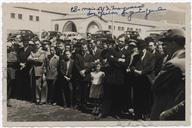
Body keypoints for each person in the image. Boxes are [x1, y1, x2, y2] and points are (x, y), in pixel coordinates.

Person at [150, 29, 185, 120]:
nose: (163, 47)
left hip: (166, 110)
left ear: (174, 43)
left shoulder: (173, 63)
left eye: (166, 43)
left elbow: (155, 85)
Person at [131, 39, 155, 120]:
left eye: (141, 48)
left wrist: (141, 72)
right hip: (137, 80)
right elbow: (131, 66)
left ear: (145, 48)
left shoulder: (151, 56)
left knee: (145, 97)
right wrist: (134, 70)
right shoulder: (136, 56)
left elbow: (151, 68)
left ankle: (145, 114)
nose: (140, 50)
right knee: (137, 97)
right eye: (139, 48)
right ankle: (137, 114)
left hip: (146, 80)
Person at [73, 43, 93, 111]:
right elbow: (76, 64)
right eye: (83, 48)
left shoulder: (89, 56)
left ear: (87, 48)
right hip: (79, 76)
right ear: (81, 48)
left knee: (85, 91)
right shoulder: (77, 56)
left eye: (85, 48)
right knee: (78, 90)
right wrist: (80, 72)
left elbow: (90, 65)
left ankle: (84, 103)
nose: (84, 49)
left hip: (86, 76)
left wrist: (85, 71)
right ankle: (78, 103)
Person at [27, 40, 47, 105]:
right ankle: (34, 98)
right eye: (35, 44)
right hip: (32, 70)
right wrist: (35, 58)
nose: (36, 45)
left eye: (38, 44)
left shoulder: (43, 52)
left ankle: (40, 99)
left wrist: (33, 58)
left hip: (39, 70)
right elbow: (28, 59)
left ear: (40, 45)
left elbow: (40, 61)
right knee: (32, 85)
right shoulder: (32, 51)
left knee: (38, 85)